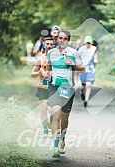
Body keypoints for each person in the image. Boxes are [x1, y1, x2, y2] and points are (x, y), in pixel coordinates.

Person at [46, 30, 85, 158]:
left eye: (65, 39)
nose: (62, 40)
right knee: (56, 115)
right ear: (57, 39)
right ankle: (55, 145)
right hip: (54, 86)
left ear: (68, 40)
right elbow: (48, 67)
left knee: (64, 117)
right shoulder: (51, 53)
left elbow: (83, 69)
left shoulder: (74, 53)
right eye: (60, 38)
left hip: (67, 87)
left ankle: (63, 138)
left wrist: (72, 64)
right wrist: (47, 74)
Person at [31, 36, 55, 134]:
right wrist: (40, 72)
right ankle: (45, 127)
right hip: (42, 87)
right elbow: (33, 74)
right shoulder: (40, 59)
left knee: (52, 109)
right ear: (44, 45)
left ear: (53, 46)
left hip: (54, 87)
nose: (49, 46)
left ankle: (53, 122)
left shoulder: (58, 59)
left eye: (51, 44)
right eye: (47, 44)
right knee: (43, 108)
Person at [78, 35, 98, 107]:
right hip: (83, 68)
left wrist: (95, 61)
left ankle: (86, 100)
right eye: (87, 43)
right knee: (83, 86)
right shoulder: (81, 49)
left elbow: (96, 57)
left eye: (89, 43)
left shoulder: (94, 49)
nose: (88, 44)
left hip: (90, 68)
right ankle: (81, 92)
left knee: (89, 84)